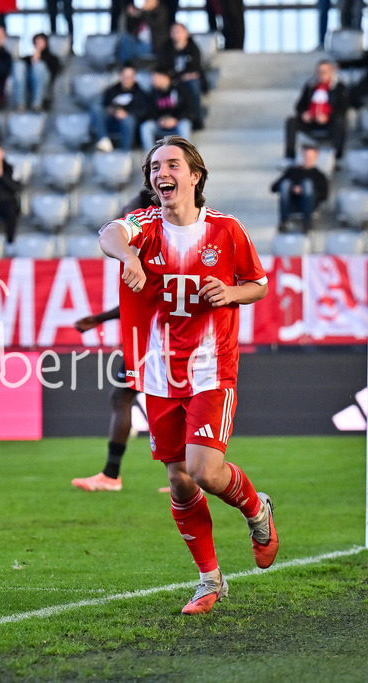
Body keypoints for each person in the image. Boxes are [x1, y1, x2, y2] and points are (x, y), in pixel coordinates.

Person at [98, 135, 278, 615]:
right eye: (155, 167)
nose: (163, 173)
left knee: (204, 471)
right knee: (179, 479)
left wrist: (232, 293)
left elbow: (259, 284)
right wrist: (129, 257)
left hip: (211, 368)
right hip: (158, 373)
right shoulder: (144, 227)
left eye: (173, 165)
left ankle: (257, 509)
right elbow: (109, 233)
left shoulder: (226, 229)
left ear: (195, 175)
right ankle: (209, 580)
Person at [70, 307, 139, 492]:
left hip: (153, 339)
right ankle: (187, 476)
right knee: (122, 395)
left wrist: (98, 319)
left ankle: (111, 474)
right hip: (169, 337)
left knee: (122, 396)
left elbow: (138, 298)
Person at [284, 59, 349, 164]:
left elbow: (343, 108)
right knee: (291, 121)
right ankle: (290, 156)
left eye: (324, 72)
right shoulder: (310, 86)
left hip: (330, 122)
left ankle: (338, 157)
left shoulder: (339, 87)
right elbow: (299, 105)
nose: (321, 74)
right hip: (311, 121)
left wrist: (328, 116)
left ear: (330, 72)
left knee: (340, 122)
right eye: (319, 72)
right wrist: (304, 114)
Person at [93, 64, 152, 152]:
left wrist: (126, 114)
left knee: (128, 120)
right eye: (125, 77)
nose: (127, 80)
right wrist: (113, 111)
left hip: (129, 125)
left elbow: (144, 112)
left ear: (134, 77)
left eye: (130, 77)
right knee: (96, 108)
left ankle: (124, 152)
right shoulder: (112, 90)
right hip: (111, 121)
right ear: (120, 76)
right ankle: (104, 140)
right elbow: (105, 104)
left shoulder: (140, 93)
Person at [270, 144, 329, 232]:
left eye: (310, 157)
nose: (308, 159)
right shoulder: (292, 171)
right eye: (306, 156)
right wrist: (292, 189)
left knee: (307, 184)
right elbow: (273, 187)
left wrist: (305, 190)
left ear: (315, 157)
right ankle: (283, 221)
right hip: (291, 203)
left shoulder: (319, 175)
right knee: (286, 183)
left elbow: (324, 195)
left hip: (309, 204)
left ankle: (307, 222)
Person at [139, 68, 197, 151]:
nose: (152, 81)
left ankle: (186, 154)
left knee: (185, 125)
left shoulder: (180, 89)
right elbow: (149, 111)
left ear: (164, 77)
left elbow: (189, 108)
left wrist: (176, 119)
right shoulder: (153, 92)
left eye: (155, 77)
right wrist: (160, 120)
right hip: (160, 123)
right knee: (146, 127)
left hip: (178, 122)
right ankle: (150, 156)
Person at [10, 33, 62, 112]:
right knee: (18, 65)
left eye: (41, 42)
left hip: (45, 83)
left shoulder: (52, 58)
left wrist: (39, 59)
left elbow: (54, 71)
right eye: (36, 42)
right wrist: (33, 60)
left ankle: (37, 104)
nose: (38, 44)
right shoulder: (28, 58)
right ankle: (20, 104)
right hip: (28, 82)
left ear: (46, 43)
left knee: (38, 66)